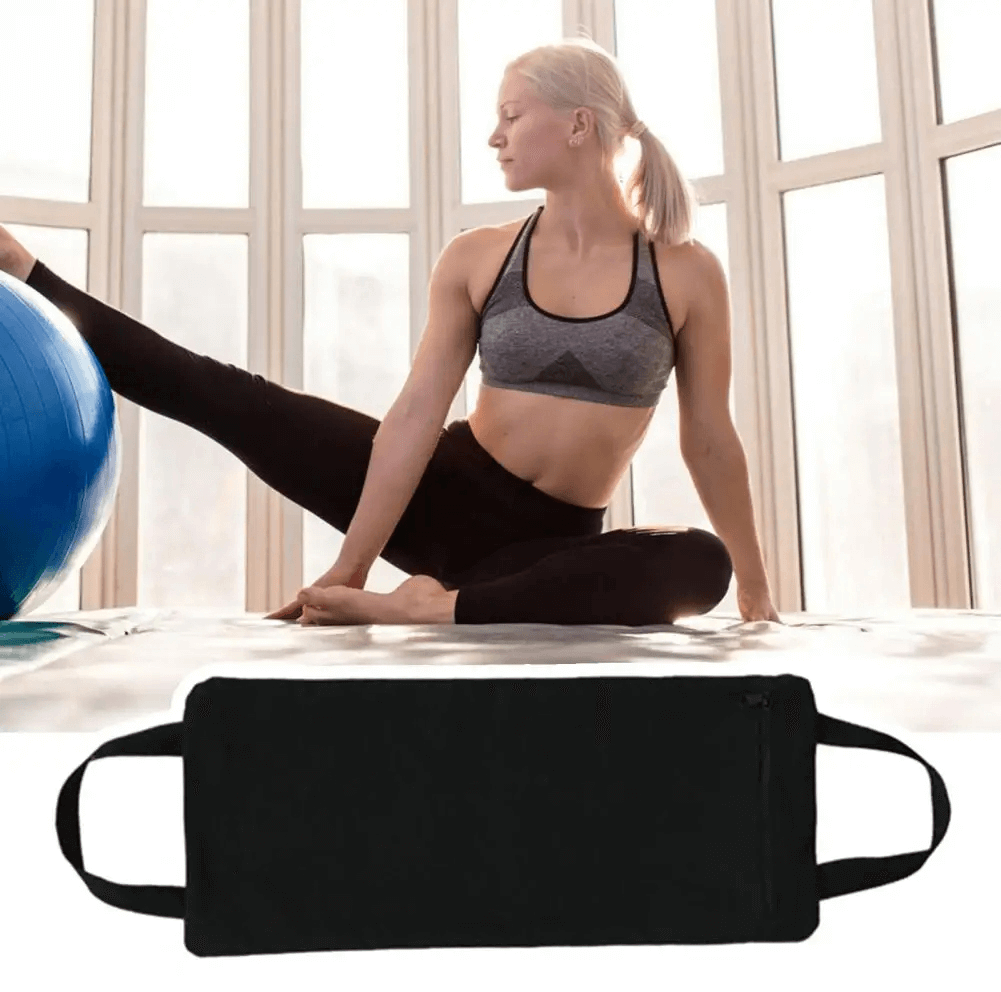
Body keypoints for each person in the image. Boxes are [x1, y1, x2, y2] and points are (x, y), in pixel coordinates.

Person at [0, 53, 739, 629]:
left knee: (703, 563)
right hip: (439, 495)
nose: (494, 135)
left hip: (547, 550)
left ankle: (426, 608)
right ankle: (22, 265)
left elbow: (707, 436)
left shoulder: (683, 272)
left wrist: (760, 596)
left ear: (578, 125)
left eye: (512, 115)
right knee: (228, 395)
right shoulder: (478, 256)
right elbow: (416, 416)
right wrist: (351, 568)